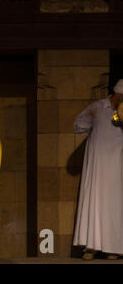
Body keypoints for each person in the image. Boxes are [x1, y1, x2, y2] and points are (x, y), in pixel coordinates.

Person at [73, 79, 123, 260]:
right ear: (117, 93)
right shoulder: (98, 107)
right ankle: (91, 247)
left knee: (114, 202)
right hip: (98, 161)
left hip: (117, 162)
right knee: (95, 200)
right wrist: (90, 129)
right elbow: (79, 124)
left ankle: (114, 248)